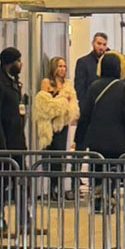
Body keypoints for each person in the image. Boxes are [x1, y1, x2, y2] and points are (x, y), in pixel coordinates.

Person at [75, 51, 125, 209]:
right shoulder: (123, 88)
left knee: (97, 168)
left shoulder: (94, 87)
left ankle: (97, 199)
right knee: (113, 170)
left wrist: (79, 138)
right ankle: (109, 196)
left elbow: (85, 115)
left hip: (96, 138)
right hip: (117, 139)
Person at [0, 47, 27, 233]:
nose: (21, 64)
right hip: (2, 141)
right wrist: (1, 147)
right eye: (18, 61)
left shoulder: (14, 83)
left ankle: (25, 220)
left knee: (23, 182)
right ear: (9, 63)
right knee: (2, 184)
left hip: (16, 140)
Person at [33, 57, 79, 201]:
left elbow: (72, 105)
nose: (62, 69)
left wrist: (63, 105)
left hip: (62, 125)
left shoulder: (68, 84)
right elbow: (45, 104)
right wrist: (62, 102)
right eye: (59, 66)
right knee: (50, 155)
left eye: (64, 66)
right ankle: (50, 187)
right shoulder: (46, 82)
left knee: (60, 156)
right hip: (49, 125)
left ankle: (59, 186)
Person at [74, 32, 108, 107]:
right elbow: (79, 88)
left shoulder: (108, 63)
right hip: (89, 105)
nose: (101, 47)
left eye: (104, 45)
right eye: (99, 44)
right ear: (93, 43)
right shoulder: (83, 62)